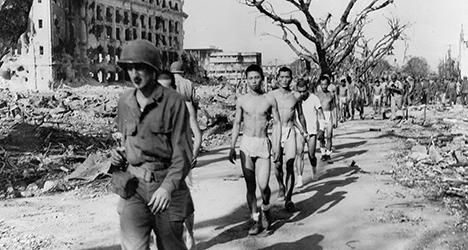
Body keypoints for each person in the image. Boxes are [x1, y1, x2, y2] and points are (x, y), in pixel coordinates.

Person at [111, 39, 193, 250]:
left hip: (166, 186)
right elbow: (126, 141)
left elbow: (182, 154)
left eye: (140, 67)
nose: (134, 74)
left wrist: (167, 188)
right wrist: (120, 156)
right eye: (130, 68)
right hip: (134, 187)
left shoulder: (173, 102)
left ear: (153, 69)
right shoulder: (124, 101)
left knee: (171, 246)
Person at [229, 64, 281, 235]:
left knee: (264, 185)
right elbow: (237, 123)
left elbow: (278, 123)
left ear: (262, 78)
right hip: (246, 145)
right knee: (250, 186)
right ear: (246, 80)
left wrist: (277, 145)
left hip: (263, 143)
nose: (254, 81)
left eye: (257, 77)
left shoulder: (269, 99)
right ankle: (255, 219)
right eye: (250, 78)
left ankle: (266, 208)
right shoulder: (242, 100)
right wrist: (232, 146)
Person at [157, 70, 202, 250]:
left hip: (181, 157)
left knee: (183, 196)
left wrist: (194, 154)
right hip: (160, 161)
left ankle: (189, 233)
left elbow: (197, 134)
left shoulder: (185, 105)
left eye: (167, 89)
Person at [269, 66, 304, 211]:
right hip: (276, 132)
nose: (284, 80)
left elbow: (300, 115)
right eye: (282, 77)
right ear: (277, 79)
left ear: (291, 79)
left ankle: (289, 198)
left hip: (290, 130)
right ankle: (281, 186)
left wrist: (304, 132)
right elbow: (264, 115)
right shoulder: (271, 95)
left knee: (290, 164)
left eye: (287, 77)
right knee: (277, 164)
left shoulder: (296, 96)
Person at [294, 79, 325, 187]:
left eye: (304, 91)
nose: (302, 94)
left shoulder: (314, 98)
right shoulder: (296, 99)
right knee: (299, 153)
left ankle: (314, 170)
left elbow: (321, 113)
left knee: (311, 155)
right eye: (300, 91)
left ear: (307, 89)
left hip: (312, 130)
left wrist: (321, 128)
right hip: (300, 131)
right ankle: (299, 178)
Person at [316, 75, 336, 162]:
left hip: (328, 115)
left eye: (325, 84)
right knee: (321, 136)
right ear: (320, 85)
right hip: (320, 116)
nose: (324, 86)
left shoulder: (331, 95)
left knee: (329, 136)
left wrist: (335, 119)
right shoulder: (317, 95)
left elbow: (334, 107)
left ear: (328, 84)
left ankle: (328, 154)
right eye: (322, 84)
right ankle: (323, 153)